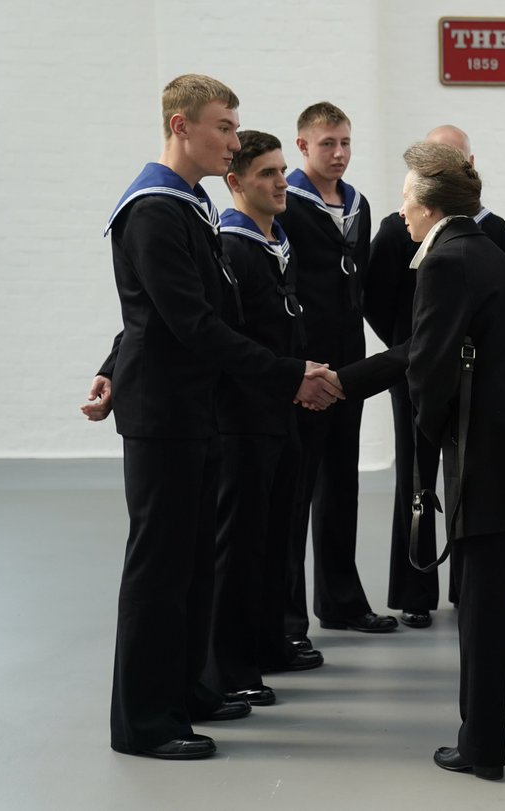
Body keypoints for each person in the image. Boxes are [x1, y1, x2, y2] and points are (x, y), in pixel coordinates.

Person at [82, 75, 341, 760]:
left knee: (195, 563)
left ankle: (189, 689)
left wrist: (110, 363)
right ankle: (143, 719)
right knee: (159, 570)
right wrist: (292, 373)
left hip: (194, 407)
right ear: (181, 126)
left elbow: (153, 315)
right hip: (165, 412)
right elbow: (190, 322)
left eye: (232, 128)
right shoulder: (154, 211)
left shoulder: (189, 204)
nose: (232, 140)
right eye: (224, 127)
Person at [335, 142, 505, 781]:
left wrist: (419, 429)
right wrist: (348, 379)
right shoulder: (485, 250)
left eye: (404, 201)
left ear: (426, 205)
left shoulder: (445, 262)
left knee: (481, 607)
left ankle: (482, 748)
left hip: (490, 456)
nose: (401, 213)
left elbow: (427, 363)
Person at [363, 124, 505, 628]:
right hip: (414, 369)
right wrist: (412, 352)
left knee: (468, 479)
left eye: (460, 161)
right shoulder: (394, 229)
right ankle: (413, 588)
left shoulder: (488, 230)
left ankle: (467, 583)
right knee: (414, 476)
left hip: (472, 378)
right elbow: (376, 302)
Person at [203, 129, 325, 710]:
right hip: (244, 420)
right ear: (235, 183)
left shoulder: (279, 240)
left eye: (281, 171)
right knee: (240, 547)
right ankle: (229, 666)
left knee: (280, 538)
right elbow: (226, 339)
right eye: (266, 175)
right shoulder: (230, 247)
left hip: (284, 415)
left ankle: (269, 640)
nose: (281, 182)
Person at [279, 101, 396, 647]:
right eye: (327, 144)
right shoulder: (285, 203)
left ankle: (342, 602)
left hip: (349, 365)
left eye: (345, 142)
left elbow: (362, 287)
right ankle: (288, 620)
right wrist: (300, 369)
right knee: (296, 493)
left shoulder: (359, 205)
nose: (339, 154)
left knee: (341, 485)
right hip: (305, 367)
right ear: (302, 146)